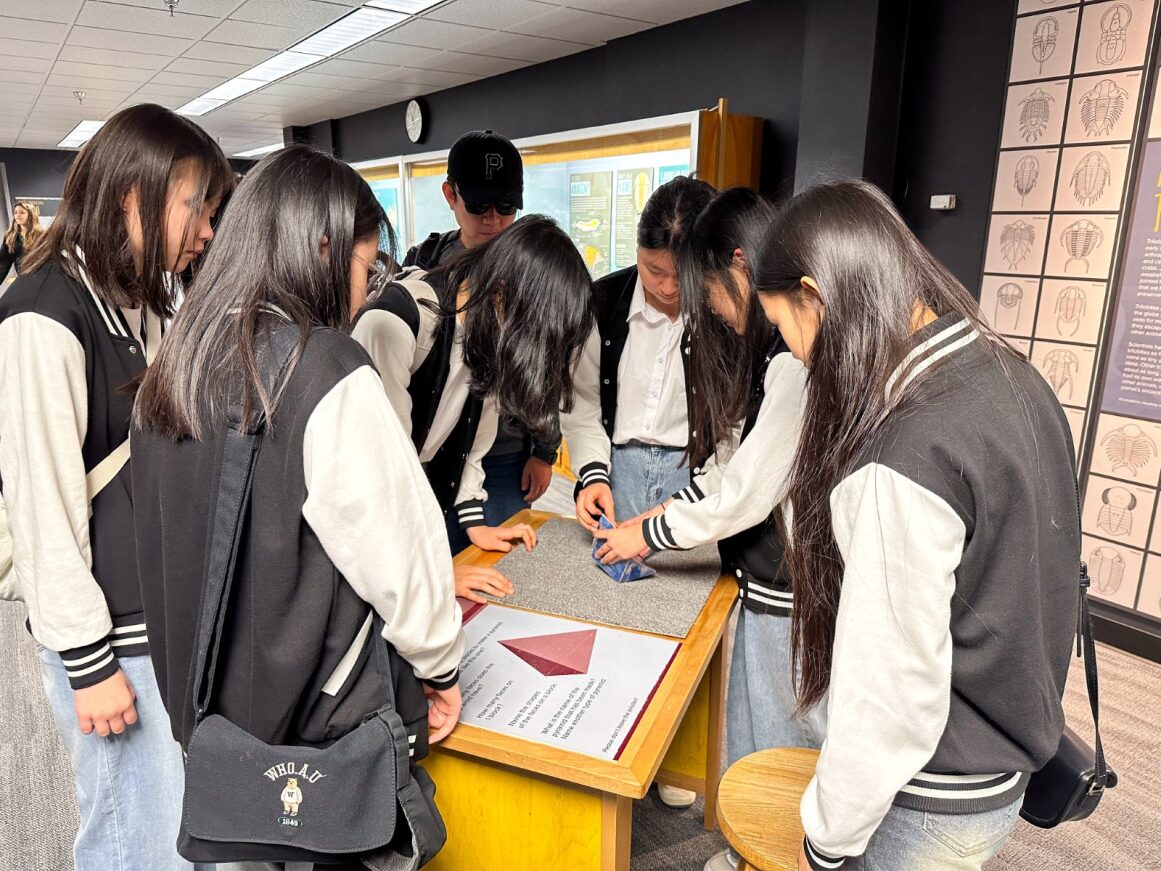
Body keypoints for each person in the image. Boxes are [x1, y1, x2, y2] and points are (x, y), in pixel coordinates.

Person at [131, 146, 465, 830]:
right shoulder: (325, 368)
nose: (364, 290)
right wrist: (440, 665)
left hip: (207, 719)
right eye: (363, 267)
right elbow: (401, 548)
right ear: (320, 247)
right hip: (310, 732)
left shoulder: (177, 356)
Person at [751, 180, 1079, 871]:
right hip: (998, 775)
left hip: (928, 801)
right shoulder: (1009, 374)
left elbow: (888, 692)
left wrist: (827, 840)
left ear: (816, 296)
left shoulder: (902, 455)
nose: (796, 355)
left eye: (784, 327)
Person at [0, 103, 232, 871]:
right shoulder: (41, 315)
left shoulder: (132, 300)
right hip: (108, 639)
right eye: (197, 205)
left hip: (152, 618)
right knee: (133, 837)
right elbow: (43, 512)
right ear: (133, 195)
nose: (206, 228)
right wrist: (89, 664)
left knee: (167, 829)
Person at [592, 188, 823, 866]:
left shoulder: (790, 359)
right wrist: (656, 516)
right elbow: (731, 471)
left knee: (780, 738)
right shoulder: (773, 354)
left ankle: (769, 849)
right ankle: (745, 845)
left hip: (790, 587)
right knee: (752, 724)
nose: (710, 310)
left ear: (740, 264)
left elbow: (745, 493)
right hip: (767, 582)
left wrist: (649, 532)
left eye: (709, 292)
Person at [562, 174, 714, 809]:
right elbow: (583, 405)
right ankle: (614, 739)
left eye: (681, 275)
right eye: (655, 270)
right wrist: (592, 474)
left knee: (683, 617)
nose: (668, 288)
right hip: (619, 460)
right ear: (637, 253)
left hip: (693, 470)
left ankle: (677, 758)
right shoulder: (603, 303)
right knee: (615, 609)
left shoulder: (723, 312)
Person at [354, 214, 593, 604]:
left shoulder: (489, 325)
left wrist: (473, 521)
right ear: (501, 293)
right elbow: (379, 476)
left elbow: (474, 438)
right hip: (368, 527)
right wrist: (434, 573)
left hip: (412, 503)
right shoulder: (399, 324)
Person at [404, 130, 557, 549]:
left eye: (506, 207)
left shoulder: (534, 270)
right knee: (439, 564)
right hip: (436, 451)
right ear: (450, 195)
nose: (492, 218)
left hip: (507, 452)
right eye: (478, 205)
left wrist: (545, 451)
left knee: (502, 567)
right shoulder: (424, 267)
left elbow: (548, 365)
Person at [0, 200, 44, 282]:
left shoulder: (41, 235)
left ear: (30, 215)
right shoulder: (10, 237)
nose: (17, 215)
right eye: (16, 212)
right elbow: (2, 263)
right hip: (22, 280)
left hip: (40, 278)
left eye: (22, 212)